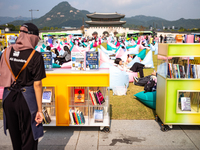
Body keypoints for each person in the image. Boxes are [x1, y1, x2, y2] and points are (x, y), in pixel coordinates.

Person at [0, 23, 45, 150]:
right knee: (29, 139)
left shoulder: (6, 51)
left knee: (15, 138)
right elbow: (37, 85)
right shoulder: (35, 56)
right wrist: (40, 111)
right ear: (32, 37)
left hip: (8, 98)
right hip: (26, 100)